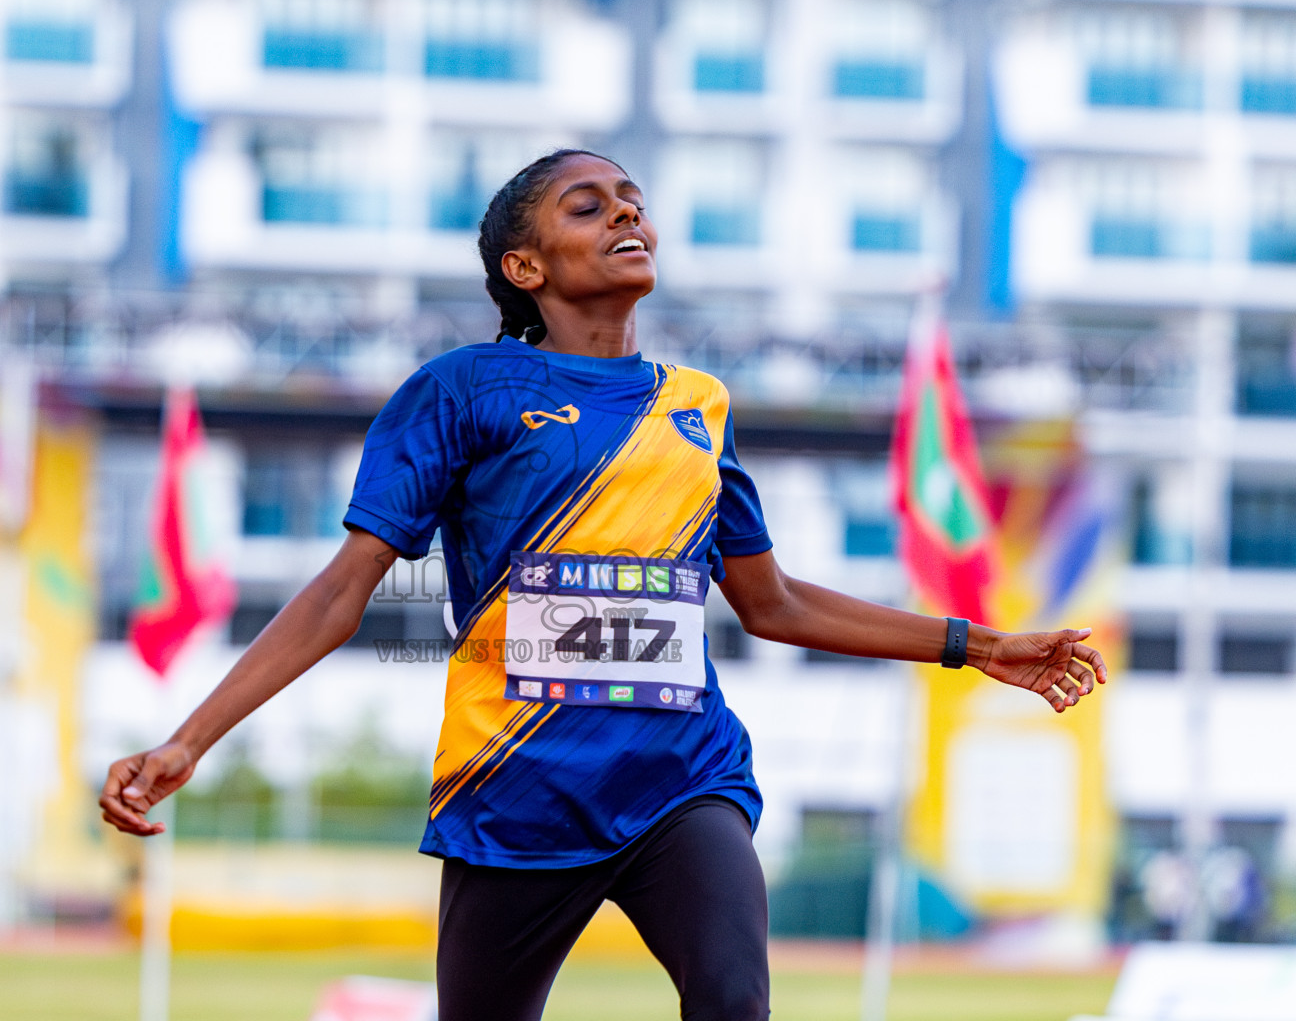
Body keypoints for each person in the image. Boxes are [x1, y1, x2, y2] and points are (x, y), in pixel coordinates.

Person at [100, 149, 1107, 1021]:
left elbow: (774, 603)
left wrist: (977, 645)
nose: (628, 211)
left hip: (683, 778)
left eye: (631, 197)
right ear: (523, 265)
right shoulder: (463, 390)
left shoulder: (696, 408)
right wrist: (189, 737)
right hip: (516, 792)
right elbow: (338, 592)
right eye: (589, 205)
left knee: (732, 997)